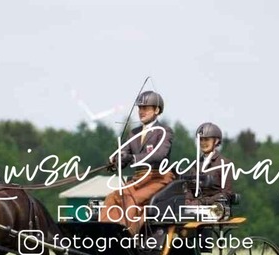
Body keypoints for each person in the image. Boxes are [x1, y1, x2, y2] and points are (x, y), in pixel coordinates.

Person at [99, 90, 174, 235]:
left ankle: (126, 236)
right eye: (140, 108)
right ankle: (105, 233)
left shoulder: (164, 131)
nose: (141, 111)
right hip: (138, 179)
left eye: (145, 108)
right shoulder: (133, 133)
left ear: (157, 110)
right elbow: (124, 154)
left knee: (131, 200)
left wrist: (133, 158)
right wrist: (115, 161)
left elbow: (159, 154)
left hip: (158, 178)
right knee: (112, 198)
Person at [186, 122, 233, 205]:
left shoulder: (225, 163)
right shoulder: (195, 164)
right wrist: (188, 200)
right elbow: (189, 188)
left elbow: (226, 194)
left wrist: (202, 202)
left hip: (214, 209)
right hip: (194, 208)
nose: (203, 143)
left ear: (216, 141)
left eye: (207, 140)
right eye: (201, 140)